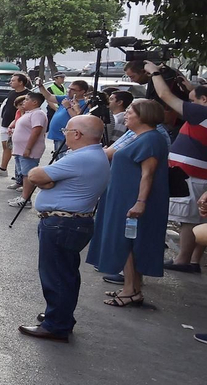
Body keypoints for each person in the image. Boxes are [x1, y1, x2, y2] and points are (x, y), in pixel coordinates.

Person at [17, 115, 110, 341]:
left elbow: (36, 174)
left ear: (77, 134)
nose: (64, 133)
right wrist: (48, 181)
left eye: (66, 130)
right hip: (72, 221)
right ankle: (60, 316)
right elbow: (45, 178)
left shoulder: (82, 158)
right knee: (66, 273)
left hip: (63, 223)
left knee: (56, 275)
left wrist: (46, 181)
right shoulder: (91, 155)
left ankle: (56, 324)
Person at [86, 99, 171, 307]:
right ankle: (132, 288)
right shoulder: (141, 136)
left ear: (143, 115)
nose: (126, 114)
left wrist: (140, 202)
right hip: (123, 196)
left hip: (132, 198)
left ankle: (131, 290)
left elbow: (148, 175)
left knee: (129, 242)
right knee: (128, 241)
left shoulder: (151, 139)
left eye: (130, 112)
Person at [146, 62, 207, 274]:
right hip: (198, 175)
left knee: (188, 220)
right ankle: (193, 261)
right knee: (199, 220)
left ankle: (182, 260)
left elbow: (164, 94)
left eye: (192, 101)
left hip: (190, 175)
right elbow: (195, 93)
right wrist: (178, 77)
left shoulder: (201, 113)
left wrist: (154, 72)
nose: (188, 105)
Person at [0, 73, 31, 176]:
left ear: (21, 82)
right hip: (6, 123)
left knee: (16, 150)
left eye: (13, 81)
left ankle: (19, 173)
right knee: (6, 147)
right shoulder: (11, 93)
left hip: (17, 126)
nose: (10, 82)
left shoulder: (28, 95)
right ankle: (3, 168)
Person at [8, 92, 49, 197]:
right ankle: (23, 197)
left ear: (34, 102)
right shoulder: (28, 113)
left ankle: (25, 199)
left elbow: (36, 131)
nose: (24, 102)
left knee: (27, 175)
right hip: (20, 150)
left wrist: (28, 148)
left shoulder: (38, 114)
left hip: (28, 150)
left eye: (26, 100)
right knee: (24, 173)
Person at [46, 80, 91, 158]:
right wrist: (40, 86)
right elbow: (49, 97)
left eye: (73, 90)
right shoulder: (66, 98)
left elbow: (78, 119)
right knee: (58, 158)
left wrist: (68, 107)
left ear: (82, 91)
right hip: (57, 134)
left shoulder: (85, 103)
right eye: (69, 88)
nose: (69, 91)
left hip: (66, 137)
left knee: (63, 158)